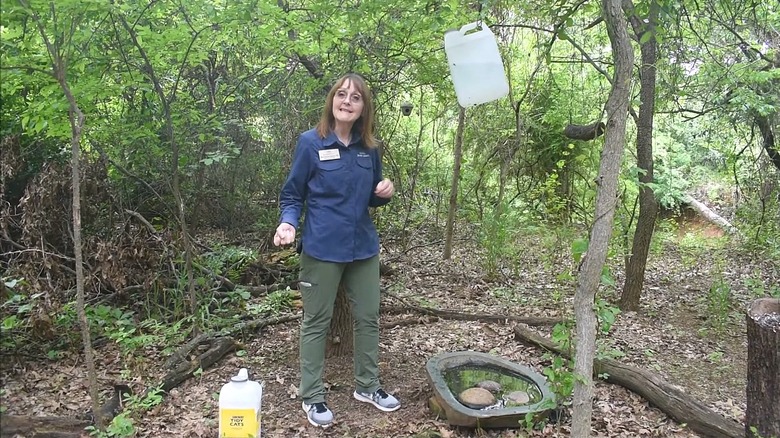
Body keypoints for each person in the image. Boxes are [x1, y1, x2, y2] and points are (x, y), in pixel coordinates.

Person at [273, 73, 400, 428]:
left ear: (363, 108)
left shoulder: (369, 148)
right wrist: (287, 223)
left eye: (355, 97)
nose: (347, 101)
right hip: (322, 248)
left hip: (363, 248)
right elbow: (292, 193)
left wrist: (384, 193)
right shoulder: (310, 143)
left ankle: (368, 386)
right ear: (332, 101)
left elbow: (371, 198)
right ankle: (312, 396)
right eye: (341, 94)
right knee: (316, 321)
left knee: (369, 318)